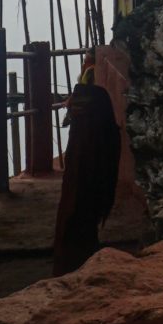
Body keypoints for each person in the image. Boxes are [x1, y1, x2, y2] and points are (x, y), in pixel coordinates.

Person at [53, 63, 122, 275]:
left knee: (78, 214)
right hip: (91, 181)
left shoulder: (88, 126)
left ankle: (74, 264)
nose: (71, 108)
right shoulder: (101, 112)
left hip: (85, 182)